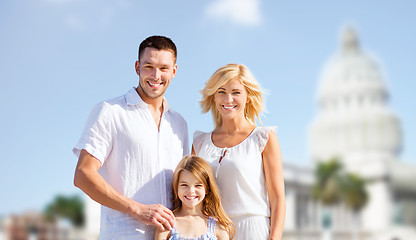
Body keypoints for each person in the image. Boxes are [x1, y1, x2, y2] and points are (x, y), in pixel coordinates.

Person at [73, 35, 189, 240]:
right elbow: (83, 175)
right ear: (137, 67)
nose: (155, 75)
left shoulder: (179, 124)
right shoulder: (110, 111)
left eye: (163, 68)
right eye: (148, 66)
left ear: (174, 71)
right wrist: (137, 209)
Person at [192, 64, 286, 240]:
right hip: (211, 231)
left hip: (252, 230)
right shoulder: (199, 143)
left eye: (236, 92)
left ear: (248, 97)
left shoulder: (264, 138)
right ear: (213, 96)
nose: (228, 99)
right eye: (221, 91)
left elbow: (278, 198)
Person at [154, 155, 234, 240]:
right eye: (184, 185)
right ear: (176, 187)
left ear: (207, 188)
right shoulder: (166, 224)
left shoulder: (219, 227)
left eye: (198, 185)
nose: (191, 191)